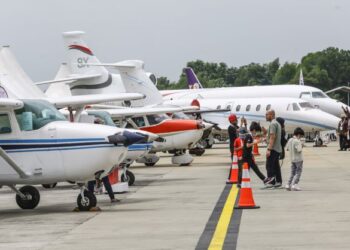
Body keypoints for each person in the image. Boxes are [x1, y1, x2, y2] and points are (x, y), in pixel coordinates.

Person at [264, 110, 282, 187]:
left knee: (269, 165)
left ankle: (271, 182)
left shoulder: (273, 124)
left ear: (271, 115)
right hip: (277, 148)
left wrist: (269, 149)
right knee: (276, 166)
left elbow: (272, 137)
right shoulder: (277, 123)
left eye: (266, 115)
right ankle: (278, 181)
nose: (265, 116)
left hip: (273, 149)